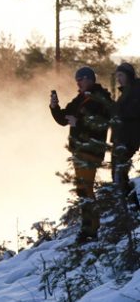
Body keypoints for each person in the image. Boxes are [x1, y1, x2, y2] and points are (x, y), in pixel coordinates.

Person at [50, 66, 113, 242]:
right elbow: (64, 119)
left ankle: (91, 229)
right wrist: (55, 108)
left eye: (81, 78)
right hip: (80, 150)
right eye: (76, 79)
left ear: (90, 79)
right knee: (82, 190)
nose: (78, 82)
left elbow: (100, 124)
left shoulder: (100, 98)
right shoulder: (81, 98)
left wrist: (79, 122)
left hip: (91, 150)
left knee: (86, 189)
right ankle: (88, 227)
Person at [111, 62, 140, 209]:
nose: (118, 79)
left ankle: (133, 208)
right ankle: (129, 208)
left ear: (129, 75)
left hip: (128, 139)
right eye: (117, 76)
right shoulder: (126, 92)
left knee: (119, 175)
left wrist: (118, 114)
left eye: (121, 75)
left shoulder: (136, 91)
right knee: (118, 175)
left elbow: (133, 113)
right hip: (120, 139)